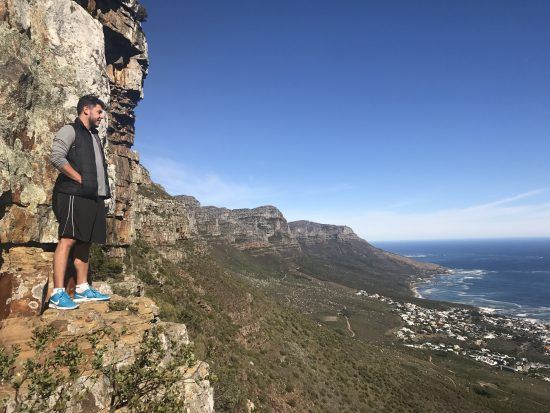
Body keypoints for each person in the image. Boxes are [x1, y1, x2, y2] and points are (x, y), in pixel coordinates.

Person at [49, 95, 111, 310]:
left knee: (85, 242)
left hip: (93, 197)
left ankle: (83, 289)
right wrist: (79, 178)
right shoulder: (70, 130)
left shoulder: (94, 135)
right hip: (74, 194)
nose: (102, 116)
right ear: (86, 109)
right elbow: (57, 157)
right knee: (68, 239)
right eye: (99, 111)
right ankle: (57, 293)